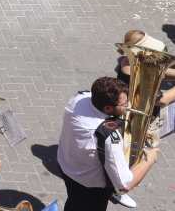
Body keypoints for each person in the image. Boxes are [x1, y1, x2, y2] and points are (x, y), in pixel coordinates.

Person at [57, 77, 159, 211]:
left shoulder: (80, 98)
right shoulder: (108, 136)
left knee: (73, 203)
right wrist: (149, 159)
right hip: (90, 188)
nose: (128, 105)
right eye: (124, 104)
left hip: (66, 166)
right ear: (108, 108)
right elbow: (124, 184)